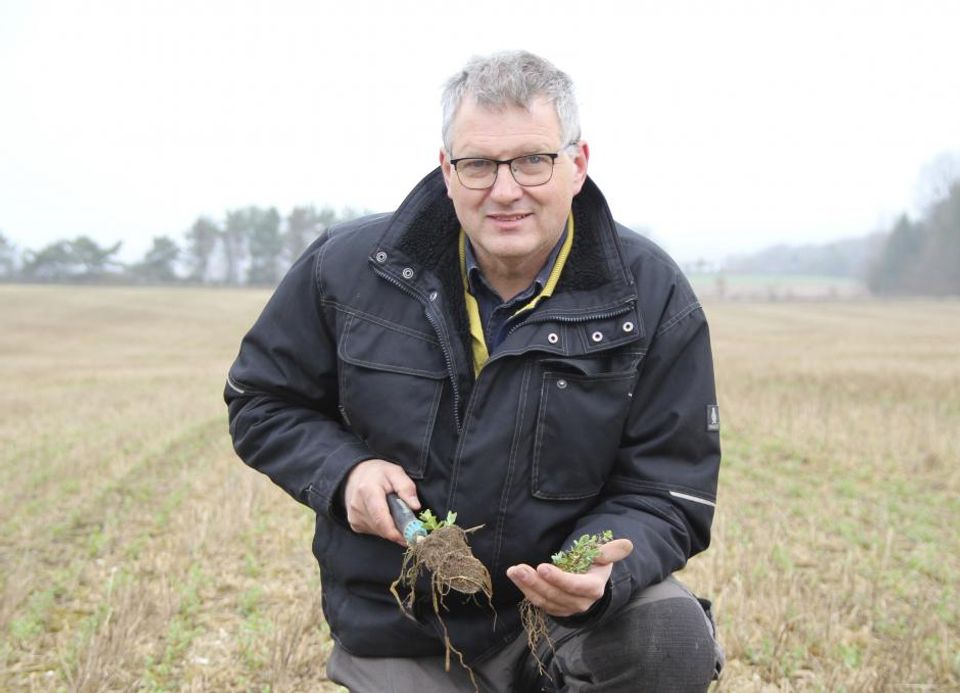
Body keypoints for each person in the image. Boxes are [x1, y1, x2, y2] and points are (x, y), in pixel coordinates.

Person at [225, 50, 723, 692]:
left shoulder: (649, 296)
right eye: (479, 164)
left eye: (532, 160)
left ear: (577, 164)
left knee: (667, 639)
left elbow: (670, 487)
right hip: (400, 620)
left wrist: (601, 570)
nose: (505, 189)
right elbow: (262, 399)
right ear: (446, 168)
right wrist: (345, 473)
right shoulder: (348, 269)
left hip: (564, 618)